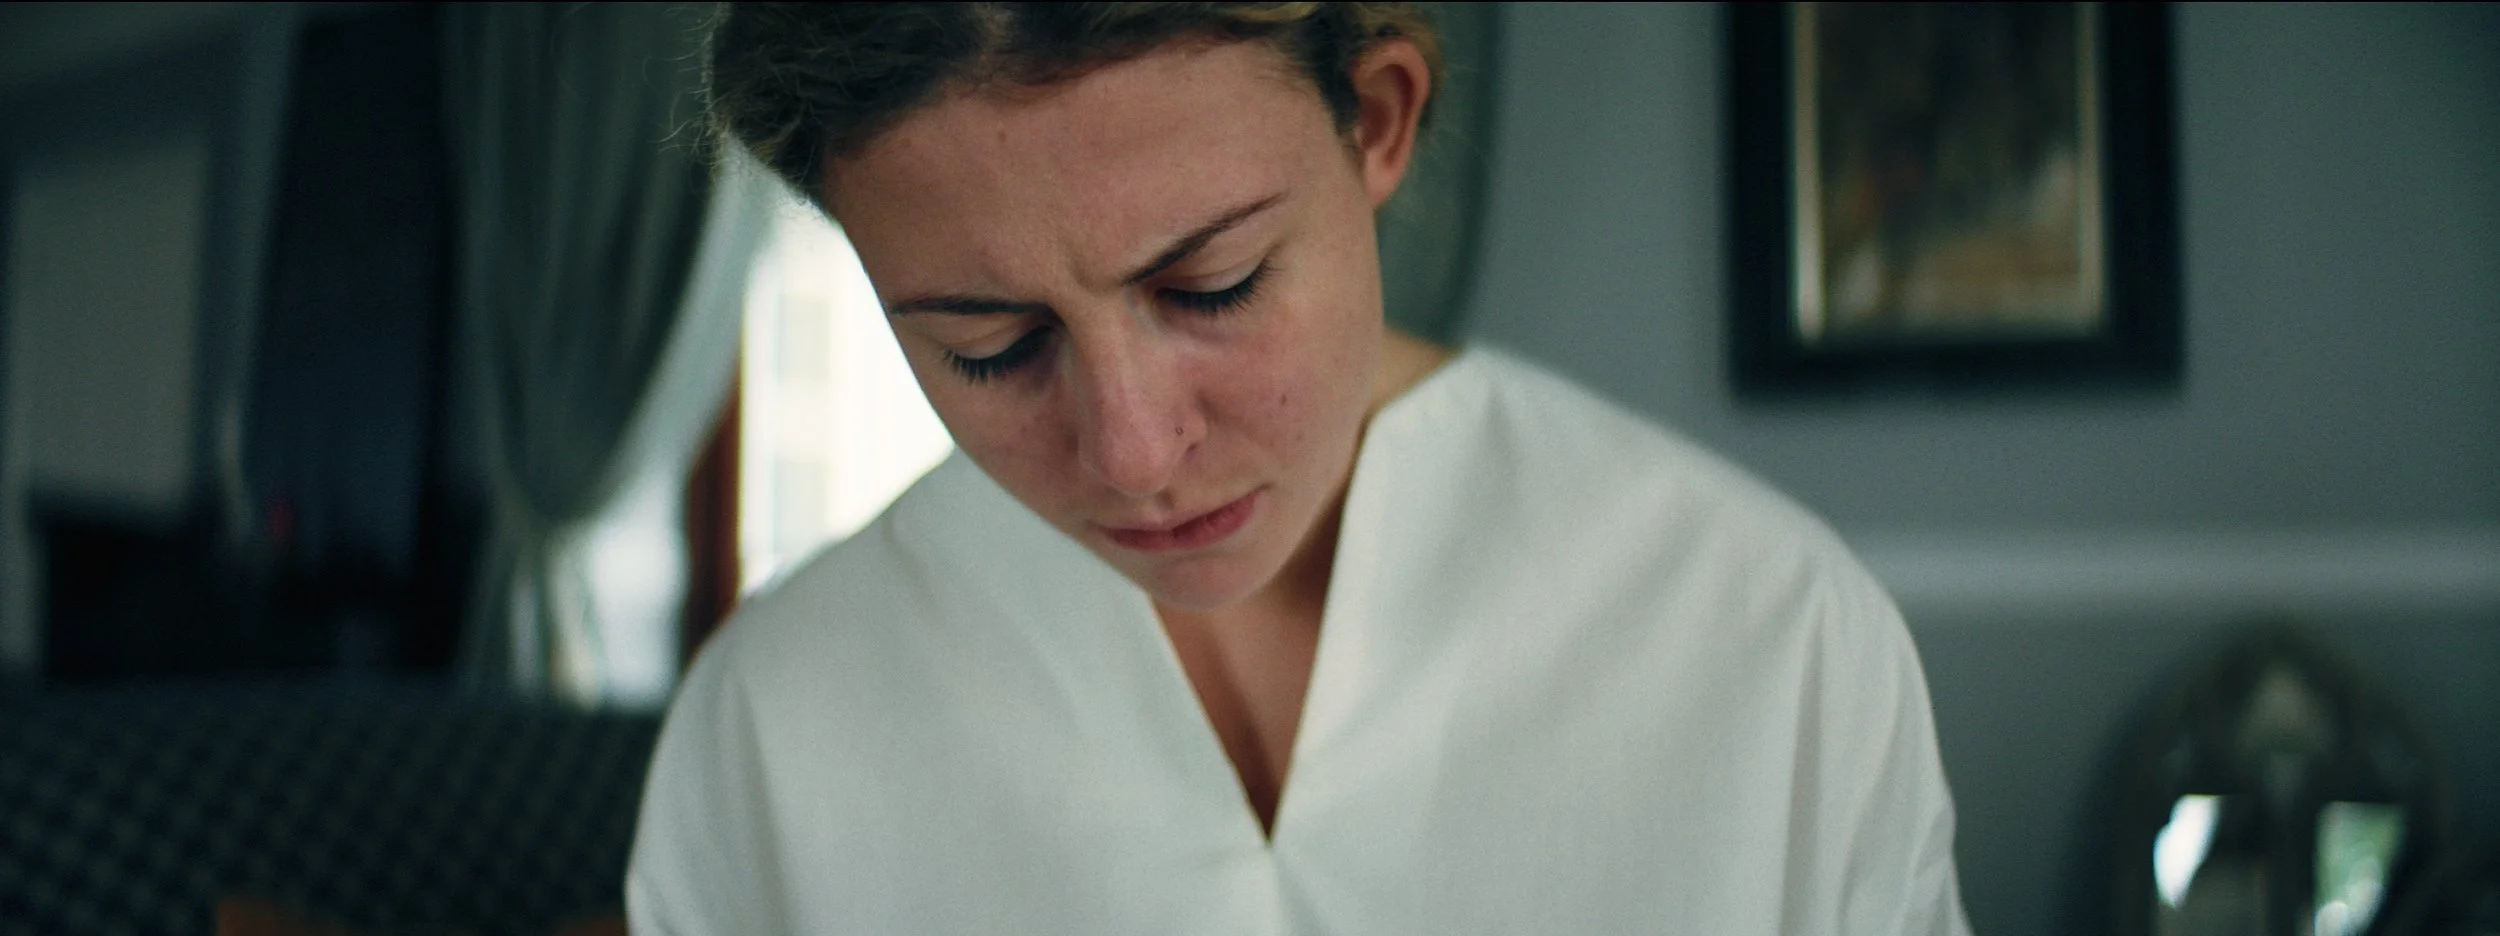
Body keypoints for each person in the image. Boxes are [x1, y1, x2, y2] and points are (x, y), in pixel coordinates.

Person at [629, 4, 1972, 933]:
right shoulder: (776, 732)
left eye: (1212, 284)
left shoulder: (1771, 646)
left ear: (1377, 121)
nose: (1133, 454)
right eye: (991, 347)